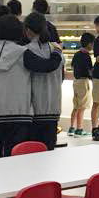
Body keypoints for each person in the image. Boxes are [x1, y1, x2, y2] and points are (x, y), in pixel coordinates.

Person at [0, 14, 60, 160]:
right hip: (18, 114)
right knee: (16, 161)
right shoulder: (22, 53)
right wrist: (57, 52)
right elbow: (47, 66)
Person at [25, 10, 64, 148]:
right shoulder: (56, 50)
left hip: (33, 110)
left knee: (32, 151)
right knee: (49, 151)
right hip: (53, 108)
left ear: (28, 30)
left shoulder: (26, 50)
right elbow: (61, 77)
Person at [68, 32, 94, 138]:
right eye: (93, 44)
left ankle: (71, 128)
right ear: (89, 44)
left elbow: (72, 66)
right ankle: (79, 129)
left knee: (76, 106)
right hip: (83, 82)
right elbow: (90, 71)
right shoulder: (86, 56)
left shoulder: (77, 54)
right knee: (82, 107)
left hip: (76, 81)